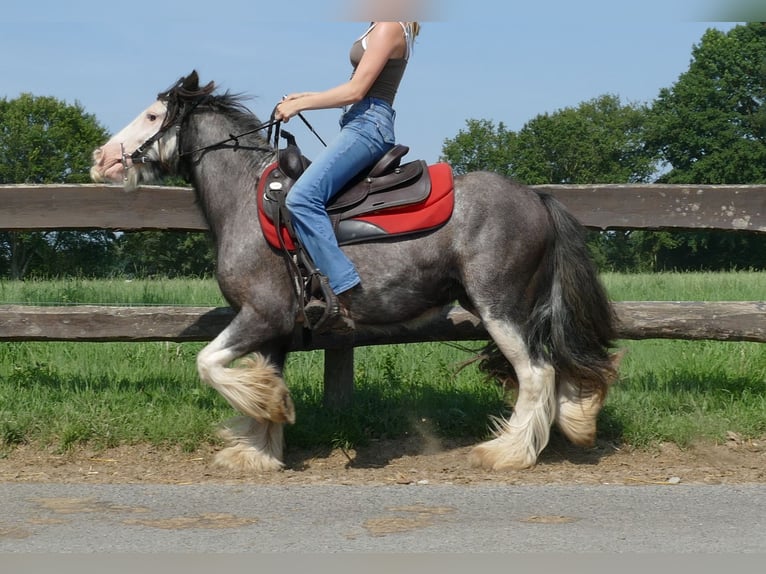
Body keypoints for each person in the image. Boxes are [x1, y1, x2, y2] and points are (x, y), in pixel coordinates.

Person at [275, 21, 420, 334]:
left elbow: (355, 91)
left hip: (368, 126)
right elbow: (357, 87)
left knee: (301, 198)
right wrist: (306, 95)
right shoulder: (380, 26)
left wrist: (300, 105)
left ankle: (343, 293)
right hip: (360, 120)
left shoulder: (388, 27)